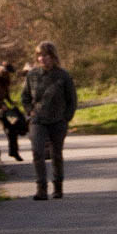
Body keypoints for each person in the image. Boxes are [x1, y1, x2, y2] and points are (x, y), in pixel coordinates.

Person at [21, 41, 77, 200]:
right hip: (37, 120)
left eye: (45, 55)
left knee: (56, 154)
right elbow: (24, 97)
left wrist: (66, 118)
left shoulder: (63, 76)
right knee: (37, 152)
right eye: (39, 56)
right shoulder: (32, 76)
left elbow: (72, 100)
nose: (42, 59)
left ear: (53, 57)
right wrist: (29, 112)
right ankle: (41, 188)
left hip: (58, 121)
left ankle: (58, 186)